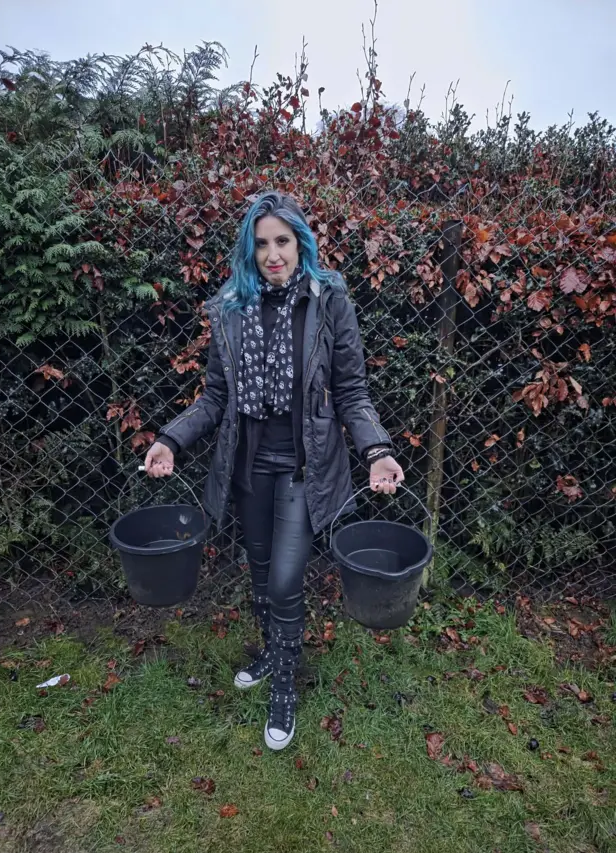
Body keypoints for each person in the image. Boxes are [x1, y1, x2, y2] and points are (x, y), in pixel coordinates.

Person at [144, 191, 404, 750]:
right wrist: (170, 439)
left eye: (282, 241)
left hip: (303, 467)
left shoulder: (328, 299)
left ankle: (284, 682)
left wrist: (376, 450)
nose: (272, 254)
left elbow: (352, 391)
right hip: (247, 465)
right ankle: (270, 652)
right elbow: (215, 398)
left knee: (286, 579)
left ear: (300, 242)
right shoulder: (231, 306)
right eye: (261, 243)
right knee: (260, 573)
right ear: (249, 249)